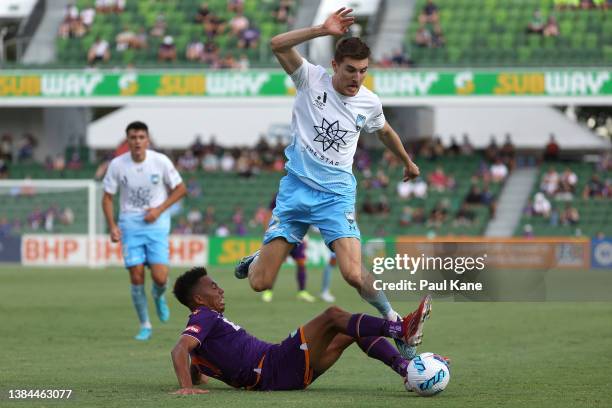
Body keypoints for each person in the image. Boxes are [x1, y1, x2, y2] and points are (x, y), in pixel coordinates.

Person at [234, 7, 422, 360]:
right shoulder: (310, 78)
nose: (357, 78)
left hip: (336, 194)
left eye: (364, 71)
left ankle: (395, 321)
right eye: (350, 70)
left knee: (352, 273)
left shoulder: (369, 101)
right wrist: (322, 29)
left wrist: (407, 161)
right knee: (260, 283)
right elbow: (276, 44)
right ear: (335, 65)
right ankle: (261, 256)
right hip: (295, 190)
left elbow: (384, 131)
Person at [170, 267, 436, 394]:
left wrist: (196, 375)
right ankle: (400, 329)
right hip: (273, 366)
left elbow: (193, 355)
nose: (221, 289)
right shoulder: (203, 315)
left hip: (280, 372)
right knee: (333, 316)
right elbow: (180, 349)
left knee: (348, 330)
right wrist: (185, 387)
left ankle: (406, 370)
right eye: (213, 287)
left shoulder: (204, 326)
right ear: (199, 300)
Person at [102, 121, 187, 341]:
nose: (137, 141)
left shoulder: (160, 161)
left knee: (160, 277)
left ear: (147, 140)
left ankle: (158, 296)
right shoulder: (117, 165)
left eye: (141, 137)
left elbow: (181, 189)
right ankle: (145, 325)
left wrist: (159, 209)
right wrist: (112, 226)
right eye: (133, 137)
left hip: (156, 224)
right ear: (127, 140)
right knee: (136, 275)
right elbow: (107, 198)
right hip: (130, 224)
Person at [261, 193, 316, 303]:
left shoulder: (303, 195)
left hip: (297, 236)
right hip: (281, 235)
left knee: (301, 263)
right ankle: (268, 291)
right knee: (275, 264)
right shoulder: (280, 195)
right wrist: (268, 232)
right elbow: (268, 213)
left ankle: (302, 292)